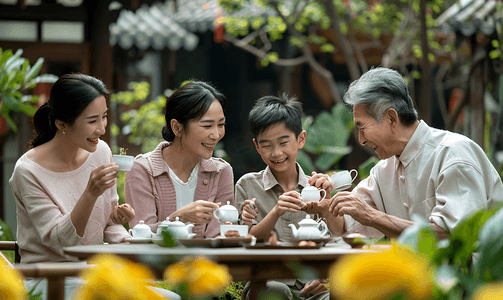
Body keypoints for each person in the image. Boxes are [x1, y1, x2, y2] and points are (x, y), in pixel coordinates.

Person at [312, 67, 503, 240]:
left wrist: (372, 216)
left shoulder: (453, 154)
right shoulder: (383, 171)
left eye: (362, 127)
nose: (361, 140)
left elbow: (455, 237)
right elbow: (346, 227)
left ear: (391, 118)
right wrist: (327, 208)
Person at [9, 73, 136, 298]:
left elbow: (109, 223)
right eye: (91, 121)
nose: (102, 129)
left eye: (104, 117)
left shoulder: (101, 152)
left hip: (95, 277)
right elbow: (62, 243)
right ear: (62, 124)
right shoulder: (28, 171)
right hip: (49, 280)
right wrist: (90, 193)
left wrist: (124, 232)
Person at [236, 94, 337, 300]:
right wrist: (276, 211)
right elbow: (247, 241)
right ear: (257, 146)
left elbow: (335, 238)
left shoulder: (316, 187)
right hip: (265, 282)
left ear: (300, 139)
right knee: (275, 291)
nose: (276, 153)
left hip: (312, 285)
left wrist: (325, 279)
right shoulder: (247, 185)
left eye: (283, 142)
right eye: (267, 145)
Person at [125, 80, 234, 238]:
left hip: (205, 263)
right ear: (177, 127)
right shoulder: (142, 169)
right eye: (207, 126)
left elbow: (217, 236)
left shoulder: (221, 172)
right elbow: (141, 235)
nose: (216, 135)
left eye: (221, 124)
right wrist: (178, 218)